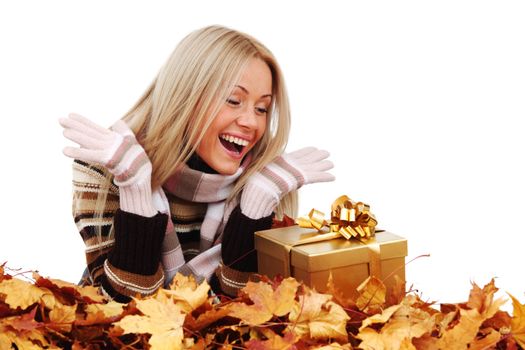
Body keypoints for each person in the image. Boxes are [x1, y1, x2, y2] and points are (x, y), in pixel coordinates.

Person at [59, 25, 334, 302]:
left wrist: (253, 208)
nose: (251, 122)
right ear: (185, 96)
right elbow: (117, 312)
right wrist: (136, 192)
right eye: (233, 100)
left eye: (261, 109)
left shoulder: (269, 181)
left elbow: (250, 315)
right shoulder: (106, 166)